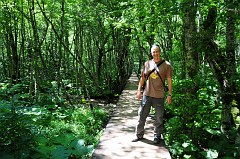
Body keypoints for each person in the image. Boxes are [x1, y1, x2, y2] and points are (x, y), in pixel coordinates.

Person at [132, 44, 173, 144]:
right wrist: (139, 90)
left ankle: (157, 136)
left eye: (157, 51)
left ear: (160, 52)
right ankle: (139, 135)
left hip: (159, 96)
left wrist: (170, 94)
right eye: (153, 52)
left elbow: (169, 80)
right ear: (151, 53)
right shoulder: (147, 63)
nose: (156, 54)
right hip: (147, 94)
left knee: (158, 118)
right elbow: (142, 78)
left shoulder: (166, 65)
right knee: (141, 115)